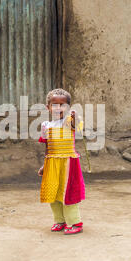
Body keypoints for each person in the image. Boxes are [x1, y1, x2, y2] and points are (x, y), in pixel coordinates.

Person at [37, 88, 86, 235]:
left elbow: (75, 125)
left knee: (67, 194)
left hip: (68, 164)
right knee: (54, 194)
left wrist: (75, 117)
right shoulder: (46, 126)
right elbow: (48, 149)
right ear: (48, 107)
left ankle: (75, 223)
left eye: (63, 105)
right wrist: (44, 166)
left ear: (68, 107)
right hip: (52, 164)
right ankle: (60, 221)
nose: (58, 108)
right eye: (54, 104)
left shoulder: (68, 121)